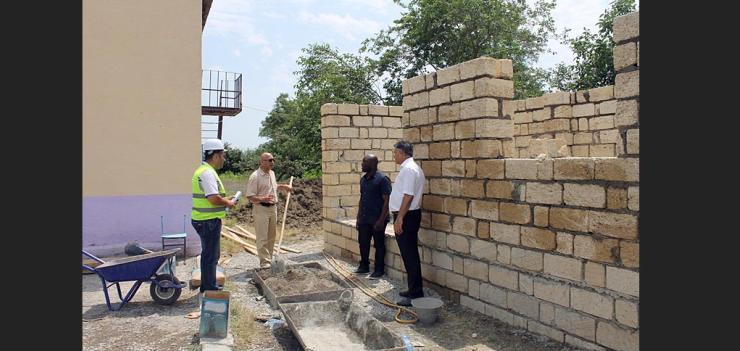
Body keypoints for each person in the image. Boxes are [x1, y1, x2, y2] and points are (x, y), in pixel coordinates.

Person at [187, 139, 236, 319]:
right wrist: (228, 202)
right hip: (207, 221)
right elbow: (213, 198)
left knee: (209, 255)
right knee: (211, 256)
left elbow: (214, 196)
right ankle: (209, 289)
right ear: (215, 155)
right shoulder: (207, 173)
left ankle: (208, 286)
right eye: (222, 155)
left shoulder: (204, 171)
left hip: (204, 219)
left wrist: (226, 199)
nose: (223, 158)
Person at [389, 140, 425, 306]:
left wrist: (400, 218)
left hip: (407, 216)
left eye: (395, 152)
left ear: (403, 153)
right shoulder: (409, 168)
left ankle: (416, 294)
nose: (394, 156)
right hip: (407, 215)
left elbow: (408, 196)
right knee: (408, 254)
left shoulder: (409, 170)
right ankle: (413, 289)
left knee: (410, 255)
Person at [246, 152, 293, 268]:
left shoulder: (272, 173)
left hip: (273, 208)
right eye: (270, 160)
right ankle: (265, 263)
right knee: (262, 238)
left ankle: (271, 260)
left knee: (272, 236)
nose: (272, 162)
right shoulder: (255, 176)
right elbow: (250, 196)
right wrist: (263, 198)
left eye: (273, 160)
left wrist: (284, 187)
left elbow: (273, 186)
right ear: (262, 162)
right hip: (261, 209)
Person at [355, 154, 392, 279]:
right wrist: (358, 218)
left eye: (364, 162)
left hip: (377, 219)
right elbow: (362, 199)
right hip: (365, 218)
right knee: (363, 243)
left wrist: (382, 220)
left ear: (371, 164)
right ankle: (364, 265)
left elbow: (387, 201)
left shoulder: (382, 179)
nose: (362, 164)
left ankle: (379, 269)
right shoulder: (363, 179)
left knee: (379, 245)